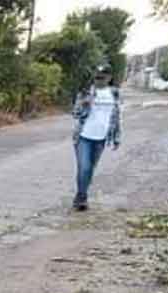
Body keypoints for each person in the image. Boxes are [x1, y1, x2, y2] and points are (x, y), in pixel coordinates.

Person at [72, 64, 123, 211]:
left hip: (101, 138)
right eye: (97, 76)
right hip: (83, 137)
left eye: (103, 76)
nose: (100, 79)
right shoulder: (85, 92)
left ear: (109, 78)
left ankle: (81, 194)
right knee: (84, 167)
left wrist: (117, 137)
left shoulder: (114, 93)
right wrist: (85, 105)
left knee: (90, 169)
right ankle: (81, 198)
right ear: (94, 77)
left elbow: (117, 116)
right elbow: (75, 113)